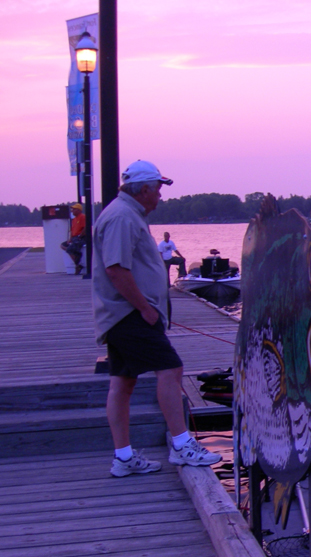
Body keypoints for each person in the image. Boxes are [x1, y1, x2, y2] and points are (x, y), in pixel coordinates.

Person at [92, 159, 221, 477]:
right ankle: (182, 445)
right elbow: (116, 269)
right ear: (145, 189)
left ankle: (123, 457)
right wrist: (146, 308)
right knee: (171, 368)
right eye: (159, 189)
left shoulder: (126, 214)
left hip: (120, 313)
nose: (161, 196)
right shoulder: (122, 217)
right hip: (129, 313)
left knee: (122, 382)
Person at [60, 203, 85, 274]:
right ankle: (77, 257)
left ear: (78, 210)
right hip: (74, 238)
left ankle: (77, 264)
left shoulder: (82, 217)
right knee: (63, 245)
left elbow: (85, 228)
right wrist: (70, 239)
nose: (72, 211)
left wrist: (80, 236)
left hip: (80, 238)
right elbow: (72, 230)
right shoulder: (74, 220)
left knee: (69, 249)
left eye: (73, 209)